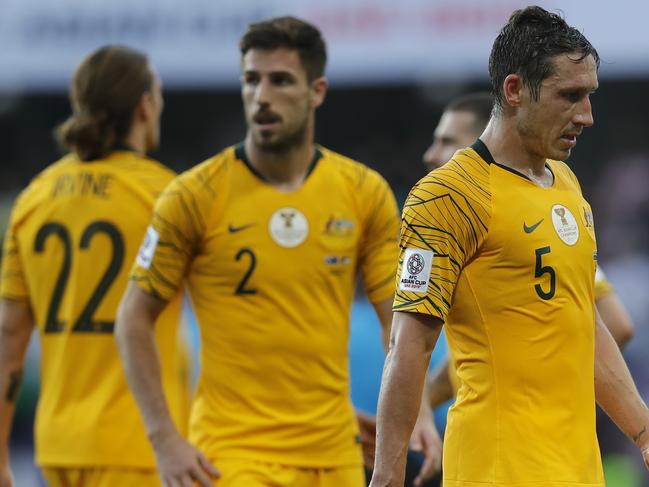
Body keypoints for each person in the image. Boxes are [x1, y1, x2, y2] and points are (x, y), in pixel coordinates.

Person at [115, 16, 437, 487]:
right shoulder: (194, 195)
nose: (261, 96)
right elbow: (132, 318)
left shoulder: (362, 192)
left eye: (280, 80)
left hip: (334, 452)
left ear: (317, 91)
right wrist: (164, 438)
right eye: (251, 80)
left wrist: (419, 414)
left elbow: (400, 321)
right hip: (233, 453)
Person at [369, 6, 649, 487]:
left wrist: (643, 431)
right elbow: (409, 346)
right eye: (570, 96)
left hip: (579, 468)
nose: (587, 115)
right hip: (498, 468)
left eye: (589, 96)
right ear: (514, 90)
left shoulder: (565, 181)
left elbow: (585, 321)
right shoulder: (448, 195)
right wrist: (387, 476)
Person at [0, 46, 189, 487]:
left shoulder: (34, 199)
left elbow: (9, 335)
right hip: (139, 447)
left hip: (58, 446)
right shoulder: (168, 196)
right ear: (146, 106)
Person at [422, 93, 636, 410]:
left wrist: (538, 389)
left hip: (512, 426)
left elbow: (614, 324)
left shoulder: (512, 214)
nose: (431, 155)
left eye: (447, 141)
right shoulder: (466, 214)